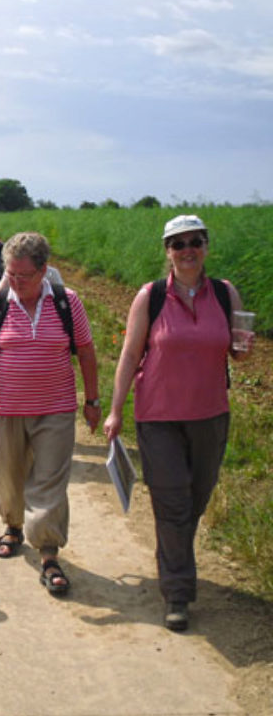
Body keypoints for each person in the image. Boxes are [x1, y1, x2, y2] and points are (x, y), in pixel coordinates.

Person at [104, 214, 251, 632]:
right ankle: (178, 593)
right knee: (172, 504)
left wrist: (244, 348)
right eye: (178, 243)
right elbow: (130, 356)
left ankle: (174, 560)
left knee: (196, 499)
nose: (188, 249)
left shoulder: (225, 294)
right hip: (159, 418)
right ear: (167, 251)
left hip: (210, 416)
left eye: (195, 241)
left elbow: (238, 353)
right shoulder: (149, 297)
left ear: (206, 246)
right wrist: (116, 410)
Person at [0, 232, 101, 596]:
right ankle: (13, 526)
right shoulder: (1, 300)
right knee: (10, 475)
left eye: (24, 276)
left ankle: (49, 553)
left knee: (49, 482)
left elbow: (85, 351)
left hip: (56, 408)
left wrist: (93, 400)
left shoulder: (68, 303)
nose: (16, 282)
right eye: (11, 274)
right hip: (8, 408)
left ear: (44, 271)